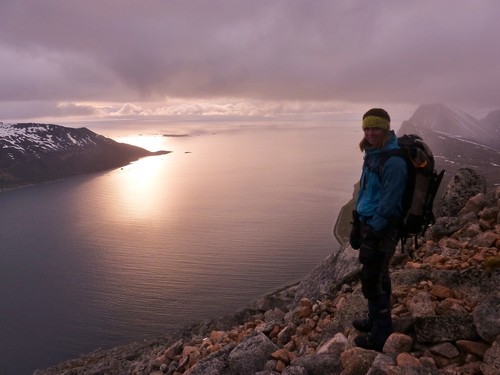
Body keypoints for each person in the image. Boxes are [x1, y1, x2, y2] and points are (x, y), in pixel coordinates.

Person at [349, 108, 408, 351]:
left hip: (382, 228)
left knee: (371, 279)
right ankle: (376, 319)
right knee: (379, 273)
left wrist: (373, 234)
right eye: (367, 128)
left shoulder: (393, 161)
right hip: (369, 223)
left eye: (375, 128)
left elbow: (390, 202)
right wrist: (357, 219)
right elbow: (367, 192)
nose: (370, 133)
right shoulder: (372, 154)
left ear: (385, 128)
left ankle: (382, 334)